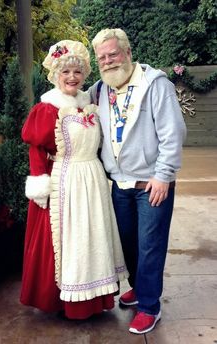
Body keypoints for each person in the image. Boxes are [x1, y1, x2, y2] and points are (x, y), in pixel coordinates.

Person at [20, 39, 128, 320]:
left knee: (93, 238)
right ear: (55, 74)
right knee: (71, 240)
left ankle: (96, 298)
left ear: (84, 74)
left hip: (92, 179)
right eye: (65, 72)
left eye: (77, 72)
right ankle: (68, 301)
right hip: (65, 182)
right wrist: (40, 183)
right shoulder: (47, 106)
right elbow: (36, 149)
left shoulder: (89, 100)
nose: (71, 77)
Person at [89, 28, 187, 334]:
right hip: (120, 183)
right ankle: (137, 288)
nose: (107, 61)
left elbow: (173, 133)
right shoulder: (100, 90)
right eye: (101, 57)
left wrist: (164, 176)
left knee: (149, 246)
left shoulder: (154, 84)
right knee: (128, 243)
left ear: (128, 53)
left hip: (151, 184)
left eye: (113, 54)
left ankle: (149, 306)